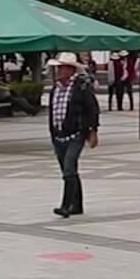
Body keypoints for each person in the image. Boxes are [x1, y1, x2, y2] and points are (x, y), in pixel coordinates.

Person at [47, 52, 101, 218]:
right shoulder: (55, 88)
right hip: (58, 135)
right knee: (68, 170)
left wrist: (93, 131)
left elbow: (92, 108)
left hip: (76, 133)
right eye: (57, 68)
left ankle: (65, 206)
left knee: (69, 168)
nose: (58, 72)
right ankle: (76, 205)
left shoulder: (81, 87)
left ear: (71, 70)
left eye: (61, 68)